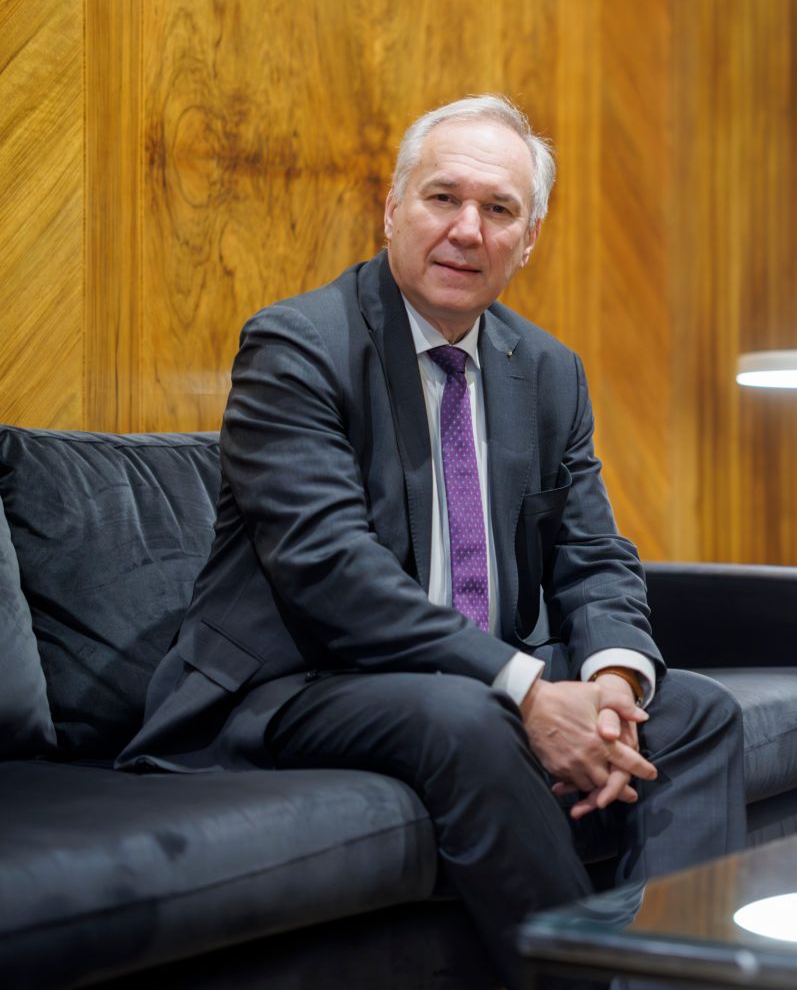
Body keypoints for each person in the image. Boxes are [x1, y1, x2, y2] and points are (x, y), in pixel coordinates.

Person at [118, 95, 745, 978]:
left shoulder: (549, 371)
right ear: (391, 208)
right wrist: (529, 690)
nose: (466, 230)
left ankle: (669, 978)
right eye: (442, 198)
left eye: (498, 210)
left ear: (528, 240)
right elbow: (331, 571)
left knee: (692, 715)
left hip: (463, 678)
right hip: (296, 680)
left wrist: (607, 684)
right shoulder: (298, 346)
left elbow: (594, 555)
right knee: (471, 716)